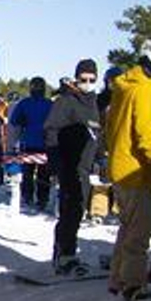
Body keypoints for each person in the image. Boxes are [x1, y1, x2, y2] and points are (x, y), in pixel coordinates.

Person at [105, 40, 151, 301]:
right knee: (140, 232)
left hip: (120, 166)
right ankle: (133, 285)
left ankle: (118, 278)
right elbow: (147, 136)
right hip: (136, 172)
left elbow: (110, 128)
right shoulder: (148, 89)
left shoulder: (124, 85)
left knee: (127, 227)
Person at [44, 60, 102, 276]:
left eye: (92, 79)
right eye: (83, 79)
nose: (87, 83)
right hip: (68, 165)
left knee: (79, 210)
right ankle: (63, 254)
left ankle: (70, 251)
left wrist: (100, 158)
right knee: (69, 211)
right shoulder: (66, 101)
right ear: (76, 78)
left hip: (85, 167)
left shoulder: (94, 103)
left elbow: (97, 135)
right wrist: (55, 163)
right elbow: (51, 131)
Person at [9, 78, 54, 213]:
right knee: (43, 175)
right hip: (44, 144)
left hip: (28, 142)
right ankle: (42, 199)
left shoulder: (24, 103)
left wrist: (14, 142)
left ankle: (27, 197)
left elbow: (14, 122)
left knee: (27, 173)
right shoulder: (49, 104)